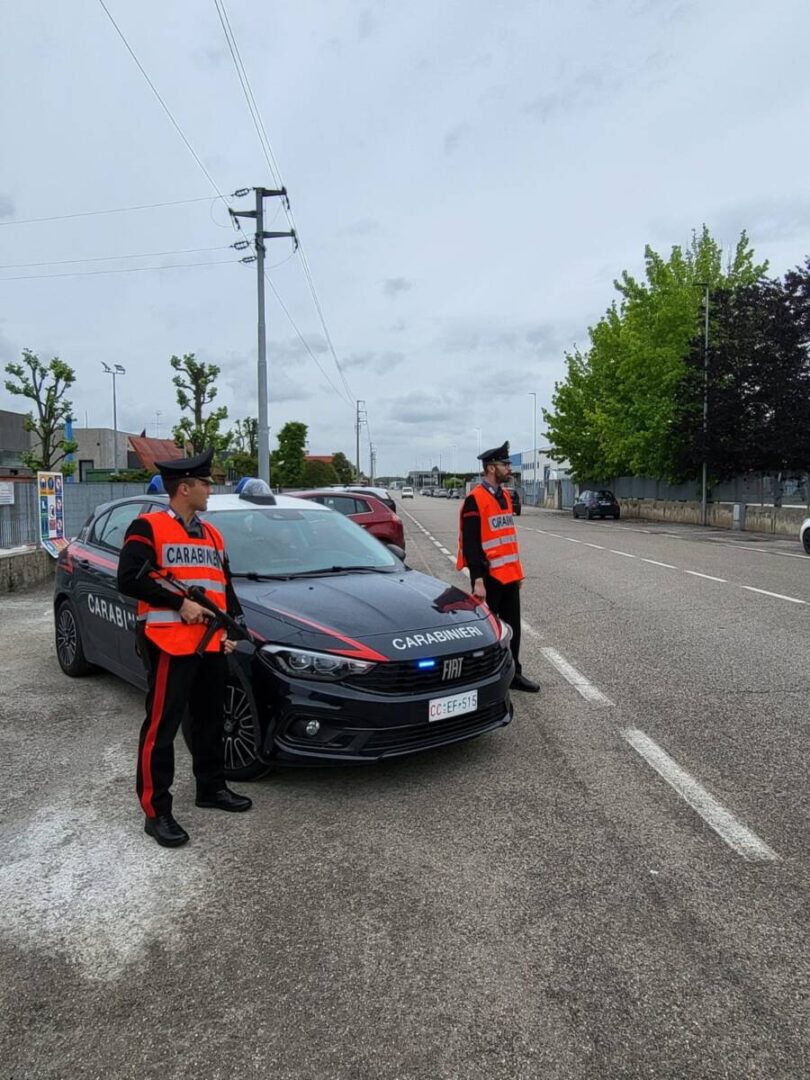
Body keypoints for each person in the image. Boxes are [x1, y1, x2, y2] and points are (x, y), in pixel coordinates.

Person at [117, 449, 252, 848]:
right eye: (206, 483)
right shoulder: (147, 527)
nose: (211, 489)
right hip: (167, 642)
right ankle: (156, 811)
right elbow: (128, 579)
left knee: (210, 720)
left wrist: (234, 630)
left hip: (210, 643)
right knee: (162, 727)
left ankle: (211, 788)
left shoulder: (212, 535)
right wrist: (179, 603)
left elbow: (224, 588)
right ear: (185, 488)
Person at [457, 441, 540, 693]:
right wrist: (478, 580)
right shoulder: (475, 500)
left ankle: (514, 673)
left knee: (512, 628)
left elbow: (507, 539)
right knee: (488, 632)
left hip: (508, 576)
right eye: (505, 464)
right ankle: (487, 678)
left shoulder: (504, 496)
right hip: (488, 578)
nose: (509, 468)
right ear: (491, 468)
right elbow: (471, 544)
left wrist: (517, 572)